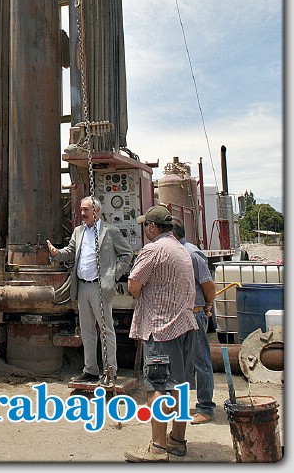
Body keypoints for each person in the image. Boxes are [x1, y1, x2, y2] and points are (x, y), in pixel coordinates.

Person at [124, 204, 198, 463]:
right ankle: (177, 442)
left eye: (146, 225)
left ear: (153, 227)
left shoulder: (152, 250)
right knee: (179, 386)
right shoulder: (182, 249)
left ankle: (157, 448)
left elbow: (134, 286)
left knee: (157, 387)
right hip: (185, 326)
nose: (145, 229)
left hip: (160, 328)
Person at [46, 196, 132, 382]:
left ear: (97, 211)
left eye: (86, 210)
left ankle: (110, 371)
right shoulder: (78, 232)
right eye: (81, 209)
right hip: (83, 287)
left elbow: (127, 254)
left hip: (100, 288)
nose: (82, 213)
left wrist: (112, 275)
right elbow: (70, 251)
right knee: (87, 332)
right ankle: (91, 370)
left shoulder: (111, 232)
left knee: (106, 330)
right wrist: (56, 253)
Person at [171, 217, 216, 424]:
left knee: (201, 361)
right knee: (182, 363)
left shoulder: (192, 253)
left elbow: (208, 286)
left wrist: (206, 307)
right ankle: (183, 405)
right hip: (178, 314)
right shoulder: (173, 252)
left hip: (194, 313)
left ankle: (206, 407)